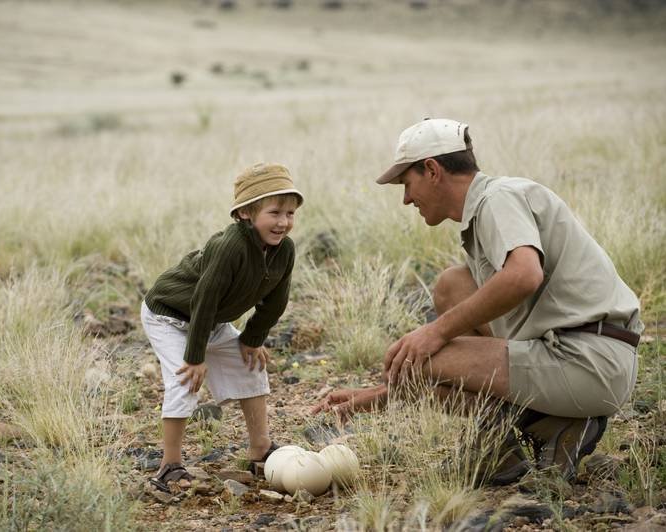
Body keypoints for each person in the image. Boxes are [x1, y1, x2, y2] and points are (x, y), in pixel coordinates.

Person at [313, 118, 642, 484]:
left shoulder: (496, 200)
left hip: (590, 361)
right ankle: (524, 439)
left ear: (432, 170)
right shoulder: (489, 204)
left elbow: (523, 275)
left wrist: (437, 332)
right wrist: (369, 398)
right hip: (582, 354)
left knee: (421, 357)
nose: (406, 199)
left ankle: (534, 432)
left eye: (407, 184)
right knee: (452, 285)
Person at [141, 163, 302, 492]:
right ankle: (169, 466)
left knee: (251, 368)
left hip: (209, 319)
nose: (283, 222)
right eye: (274, 212)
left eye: (290, 213)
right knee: (185, 380)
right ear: (246, 212)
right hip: (169, 314)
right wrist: (196, 356)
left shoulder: (284, 250)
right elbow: (204, 299)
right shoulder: (230, 246)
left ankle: (261, 450)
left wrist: (252, 339)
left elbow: (275, 302)